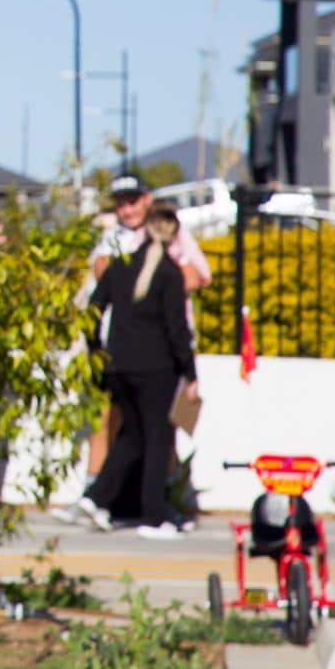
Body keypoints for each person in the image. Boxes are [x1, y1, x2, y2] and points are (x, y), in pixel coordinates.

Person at [69, 203, 198, 539]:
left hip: (118, 365)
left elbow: (92, 311)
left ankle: (96, 498)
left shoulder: (121, 267)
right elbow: (177, 330)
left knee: (133, 435)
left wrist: (98, 352)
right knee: (157, 438)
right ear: (174, 237)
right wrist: (190, 373)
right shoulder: (169, 274)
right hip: (156, 369)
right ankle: (154, 516)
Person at [84, 174, 208, 478]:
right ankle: (96, 491)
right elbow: (100, 275)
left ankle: (159, 495)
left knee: (161, 427)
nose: (127, 210)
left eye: (133, 201)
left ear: (147, 200)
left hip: (160, 349)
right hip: (119, 346)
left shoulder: (171, 235)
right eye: (121, 204)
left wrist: (154, 279)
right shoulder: (112, 238)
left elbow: (198, 276)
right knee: (106, 421)